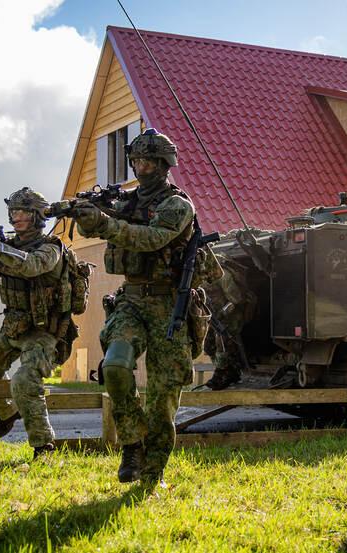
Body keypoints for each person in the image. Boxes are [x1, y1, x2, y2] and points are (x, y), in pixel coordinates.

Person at [72, 128, 217, 488]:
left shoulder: (177, 205)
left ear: (163, 164)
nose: (140, 166)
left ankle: (153, 475)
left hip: (171, 304)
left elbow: (151, 238)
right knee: (116, 368)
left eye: (147, 160)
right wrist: (86, 214)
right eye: (135, 159)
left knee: (162, 400)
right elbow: (106, 223)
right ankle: (132, 442)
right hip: (132, 299)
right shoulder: (127, 202)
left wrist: (104, 222)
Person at [0, 187, 65, 459]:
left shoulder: (51, 247)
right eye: (13, 212)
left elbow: (32, 265)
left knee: (25, 379)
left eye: (23, 212)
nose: (16, 217)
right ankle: (8, 412)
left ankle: (43, 446)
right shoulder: (8, 246)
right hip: (14, 324)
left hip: (43, 328)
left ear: (37, 216)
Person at [202, 253, 257, 389]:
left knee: (222, 345)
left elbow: (237, 299)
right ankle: (228, 370)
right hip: (213, 318)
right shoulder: (200, 276)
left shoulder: (223, 275)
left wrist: (221, 313)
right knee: (208, 346)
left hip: (230, 318)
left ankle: (221, 374)